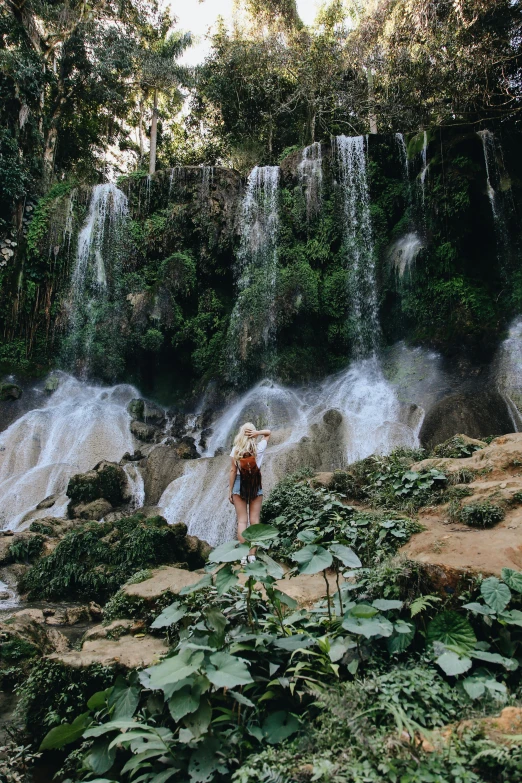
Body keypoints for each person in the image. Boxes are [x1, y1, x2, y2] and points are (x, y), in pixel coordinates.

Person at [229, 422, 271, 559]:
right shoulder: (259, 447)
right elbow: (268, 433)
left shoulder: (236, 450)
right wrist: (258, 433)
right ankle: (252, 556)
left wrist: (230, 491)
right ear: (253, 434)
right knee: (254, 520)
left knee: (242, 521)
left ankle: (243, 556)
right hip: (255, 485)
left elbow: (233, 471)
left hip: (239, 485)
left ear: (241, 434)